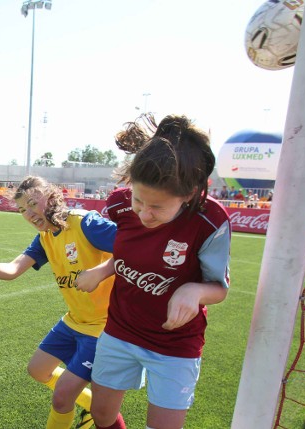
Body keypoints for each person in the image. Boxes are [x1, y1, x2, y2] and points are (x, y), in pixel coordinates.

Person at [76, 114, 231, 429]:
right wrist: (104, 269)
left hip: (175, 346)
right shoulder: (119, 205)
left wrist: (194, 290)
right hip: (119, 331)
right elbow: (129, 255)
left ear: (187, 196)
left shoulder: (210, 220)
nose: (144, 213)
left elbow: (220, 287)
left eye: (157, 208)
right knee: (102, 416)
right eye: (138, 200)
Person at [0, 176, 120, 429]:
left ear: (52, 197)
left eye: (34, 203)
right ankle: (91, 408)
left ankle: (95, 411)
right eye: (23, 209)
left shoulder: (84, 223)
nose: (29, 213)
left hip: (104, 327)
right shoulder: (46, 237)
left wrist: (100, 271)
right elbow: (13, 270)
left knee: (62, 397)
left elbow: (132, 246)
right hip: (74, 320)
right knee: (38, 370)